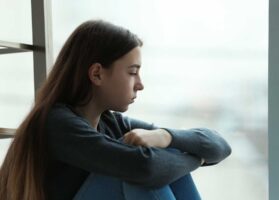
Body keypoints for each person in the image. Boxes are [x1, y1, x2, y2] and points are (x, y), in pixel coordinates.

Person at [0, 19, 231, 200]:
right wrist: (196, 160)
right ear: (97, 74)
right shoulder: (56, 123)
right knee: (139, 171)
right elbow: (144, 168)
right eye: (132, 72)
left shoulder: (113, 123)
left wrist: (165, 136)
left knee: (158, 155)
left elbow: (221, 146)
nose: (140, 84)